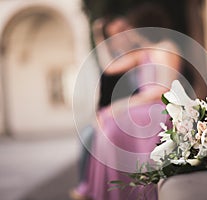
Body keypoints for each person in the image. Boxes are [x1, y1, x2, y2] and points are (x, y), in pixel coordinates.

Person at [70, 3, 181, 200]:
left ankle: (130, 190)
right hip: (144, 105)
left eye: (132, 27)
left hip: (158, 107)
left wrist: (123, 104)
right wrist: (98, 37)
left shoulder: (166, 47)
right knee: (105, 121)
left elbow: (164, 89)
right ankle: (114, 192)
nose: (130, 32)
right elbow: (110, 67)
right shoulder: (144, 52)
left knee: (112, 124)